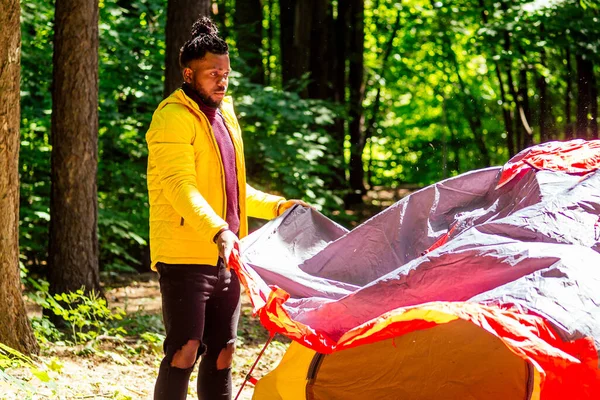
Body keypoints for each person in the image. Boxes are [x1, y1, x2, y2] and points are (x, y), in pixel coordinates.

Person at [145, 16, 306, 400]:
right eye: (213, 73)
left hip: (229, 256)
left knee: (224, 353)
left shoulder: (224, 115)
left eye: (226, 74)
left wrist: (278, 205)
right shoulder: (172, 118)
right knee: (184, 351)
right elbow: (179, 187)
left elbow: (234, 190)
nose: (222, 81)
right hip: (186, 255)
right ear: (189, 74)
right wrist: (218, 230)